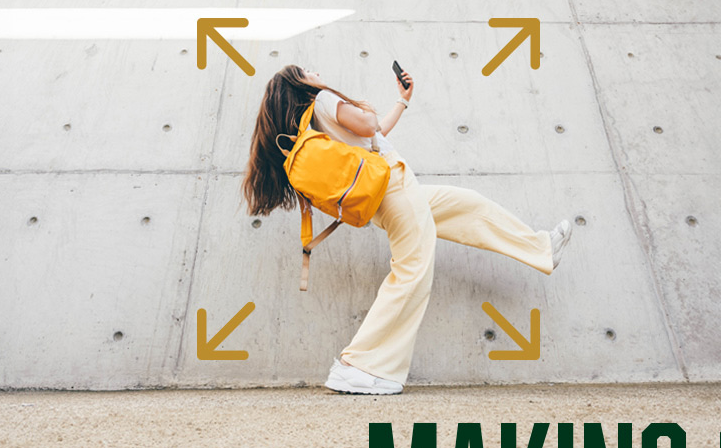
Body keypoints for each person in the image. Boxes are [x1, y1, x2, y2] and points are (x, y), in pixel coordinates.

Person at [242, 65, 572, 395]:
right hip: (393, 187)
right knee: (412, 270)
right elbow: (369, 123)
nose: (315, 72)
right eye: (307, 71)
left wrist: (403, 100)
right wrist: (362, 106)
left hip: (385, 195)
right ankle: (359, 366)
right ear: (300, 84)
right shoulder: (325, 100)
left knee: (467, 206)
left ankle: (540, 249)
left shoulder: (312, 124)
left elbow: (374, 135)